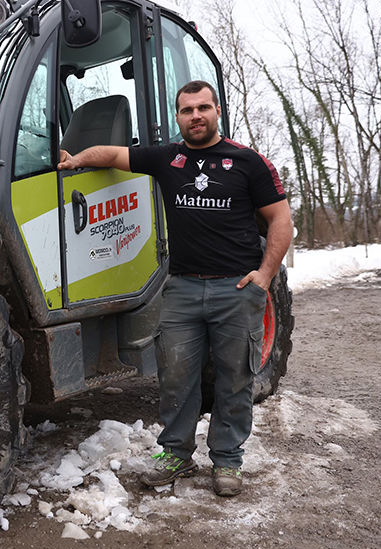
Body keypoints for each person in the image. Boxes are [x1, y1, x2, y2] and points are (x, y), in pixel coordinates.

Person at [58, 80, 292, 497]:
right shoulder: (168, 157)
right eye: (187, 110)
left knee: (234, 378)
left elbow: (280, 220)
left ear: (217, 111)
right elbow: (112, 154)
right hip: (182, 289)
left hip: (235, 290)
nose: (196, 116)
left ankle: (227, 461)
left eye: (203, 108)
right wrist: (76, 159)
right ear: (178, 116)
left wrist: (265, 275)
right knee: (175, 377)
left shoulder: (248, 162)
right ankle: (176, 455)